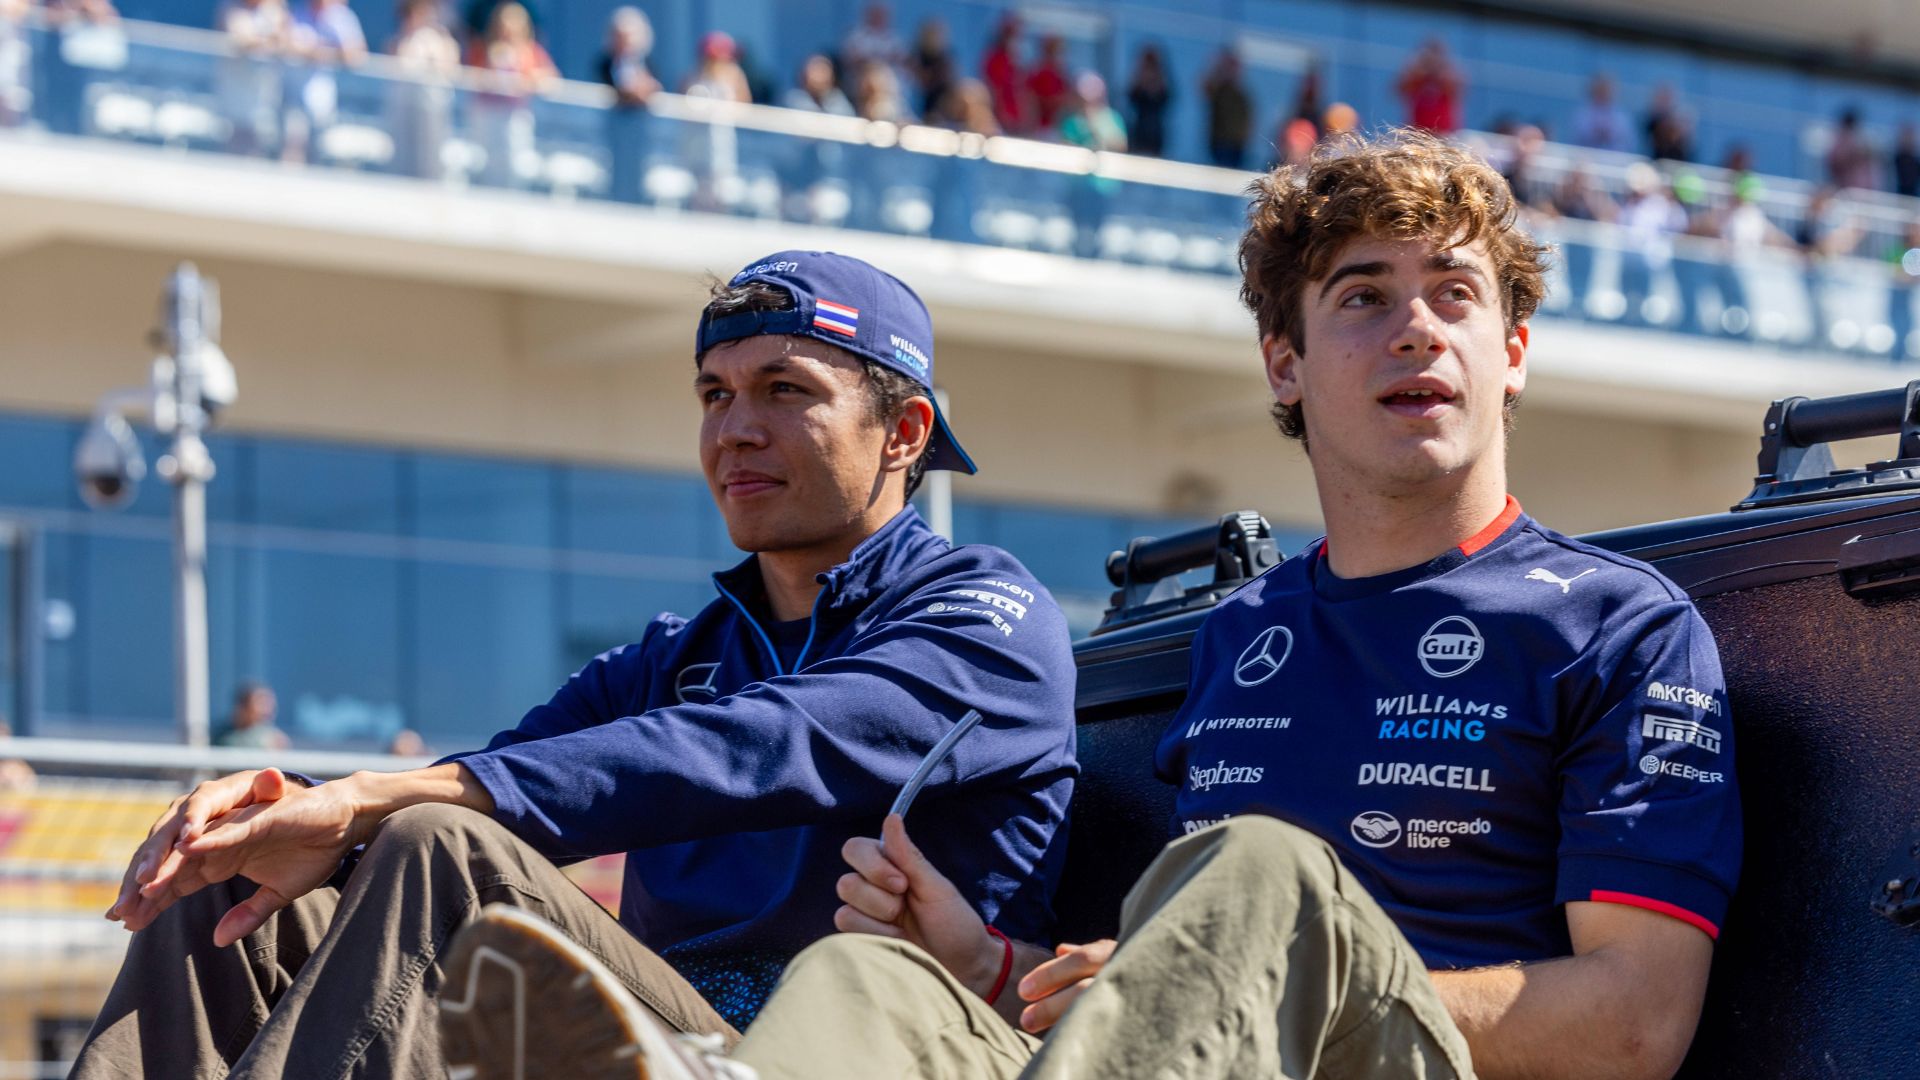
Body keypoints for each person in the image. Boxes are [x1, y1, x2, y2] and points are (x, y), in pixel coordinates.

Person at [442, 129, 1741, 1080]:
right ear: (1283, 363)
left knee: (1266, 879)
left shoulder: (1617, 626)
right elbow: (1160, 997)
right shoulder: (1250, 635)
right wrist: (991, 961)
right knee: (868, 977)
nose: (1418, 332)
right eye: (1364, 299)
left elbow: (1635, 1024)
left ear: (1512, 352)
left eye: (1456, 296)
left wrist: (1280, 975)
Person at [71, 251, 1080, 1080]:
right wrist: (308, 824)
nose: (734, 430)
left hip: (868, 1046)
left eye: (785, 391)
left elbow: (760, 746)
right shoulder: (675, 654)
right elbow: (516, 780)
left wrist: (370, 799)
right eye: (715, 393)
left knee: (438, 841)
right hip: (654, 1036)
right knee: (234, 885)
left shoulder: (983, 617)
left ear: (902, 433)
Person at [462, 0, 555, 189]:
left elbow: (550, 78)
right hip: (487, 116)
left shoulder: (531, 52)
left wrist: (529, 80)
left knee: (514, 163)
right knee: (486, 162)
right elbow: (469, 73)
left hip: (515, 118)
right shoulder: (484, 49)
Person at [280, 0, 367, 164]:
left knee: (318, 153)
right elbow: (284, 43)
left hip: (322, 100)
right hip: (293, 96)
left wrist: (325, 51)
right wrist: (307, 51)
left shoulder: (341, 18)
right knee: (292, 147)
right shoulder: (298, 13)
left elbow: (356, 55)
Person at [385, 0, 458, 179]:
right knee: (403, 151)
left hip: (431, 108)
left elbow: (450, 68)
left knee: (430, 154)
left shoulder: (440, 39)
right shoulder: (400, 40)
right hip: (404, 106)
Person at [217, 0, 294, 156]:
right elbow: (242, 40)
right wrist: (269, 40)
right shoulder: (232, 7)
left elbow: (286, 39)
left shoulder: (276, 9)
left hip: (266, 95)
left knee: (262, 144)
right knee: (236, 142)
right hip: (237, 91)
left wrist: (268, 40)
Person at [599, 5, 659, 203]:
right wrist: (629, 93)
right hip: (611, 128)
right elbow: (609, 87)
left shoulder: (648, 63)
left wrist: (640, 91)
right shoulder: (604, 63)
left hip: (639, 130)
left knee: (637, 167)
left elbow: (655, 87)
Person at [1397, 37, 1461, 135]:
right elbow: (1401, 89)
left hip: (1443, 133)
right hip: (1417, 133)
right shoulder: (1417, 77)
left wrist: (1437, 71)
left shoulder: (1448, 75)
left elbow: (1453, 89)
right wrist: (1419, 70)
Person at [1202, 47, 1251, 168]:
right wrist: (1216, 67)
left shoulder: (1241, 93)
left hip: (1238, 145)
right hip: (1220, 143)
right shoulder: (1218, 89)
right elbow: (1205, 87)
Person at [1123, 43, 1170, 158]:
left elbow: (1166, 99)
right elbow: (1131, 96)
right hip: (1138, 130)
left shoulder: (1162, 82)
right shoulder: (1138, 79)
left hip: (1155, 132)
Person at [980, 13, 1025, 134]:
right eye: (1011, 35)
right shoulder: (994, 59)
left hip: (1017, 123)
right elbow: (993, 90)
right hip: (1000, 121)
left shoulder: (1015, 60)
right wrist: (1001, 114)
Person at [213, 682, 290, 750]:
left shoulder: (275, 739)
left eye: (269, 705)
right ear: (242, 707)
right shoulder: (222, 736)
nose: (266, 711)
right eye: (261, 704)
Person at [907, 18, 956, 120]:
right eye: (931, 33)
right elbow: (919, 79)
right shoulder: (917, 55)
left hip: (939, 106)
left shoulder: (946, 58)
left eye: (937, 34)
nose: (934, 37)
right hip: (917, 104)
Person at [1570, 74, 1631, 154]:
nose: (1604, 93)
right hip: (1587, 158)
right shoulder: (1583, 113)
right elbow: (1577, 136)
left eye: (1607, 89)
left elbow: (1627, 140)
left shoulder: (1620, 116)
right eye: (1601, 89)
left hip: (1614, 160)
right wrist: (1597, 132)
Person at [1025, 34, 1070, 136]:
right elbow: (1038, 100)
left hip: (1057, 127)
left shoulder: (1060, 72)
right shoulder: (1041, 72)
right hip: (1042, 128)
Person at [1827, 107, 1877, 192]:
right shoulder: (1840, 140)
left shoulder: (1860, 140)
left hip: (1860, 188)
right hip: (1845, 187)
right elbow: (1836, 162)